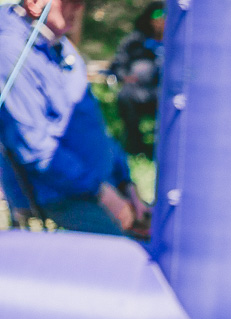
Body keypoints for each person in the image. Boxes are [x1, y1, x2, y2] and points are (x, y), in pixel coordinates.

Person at [0, 0, 148, 235]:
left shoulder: (59, 44)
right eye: (70, 1)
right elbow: (37, 150)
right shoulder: (10, 51)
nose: (80, 8)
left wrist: (125, 183)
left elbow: (92, 126)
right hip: (59, 197)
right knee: (133, 252)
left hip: (101, 186)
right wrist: (103, 194)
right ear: (35, 3)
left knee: (165, 233)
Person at [108, 0, 164, 158]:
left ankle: (161, 147)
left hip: (162, 92)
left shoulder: (175, 42)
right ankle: (135, 145)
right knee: (125, 96)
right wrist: (125, 77)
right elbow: (117, 65)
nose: (161, 19)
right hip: (138, 91)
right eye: (157, 15)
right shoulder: (135, 41)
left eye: (166, 15)